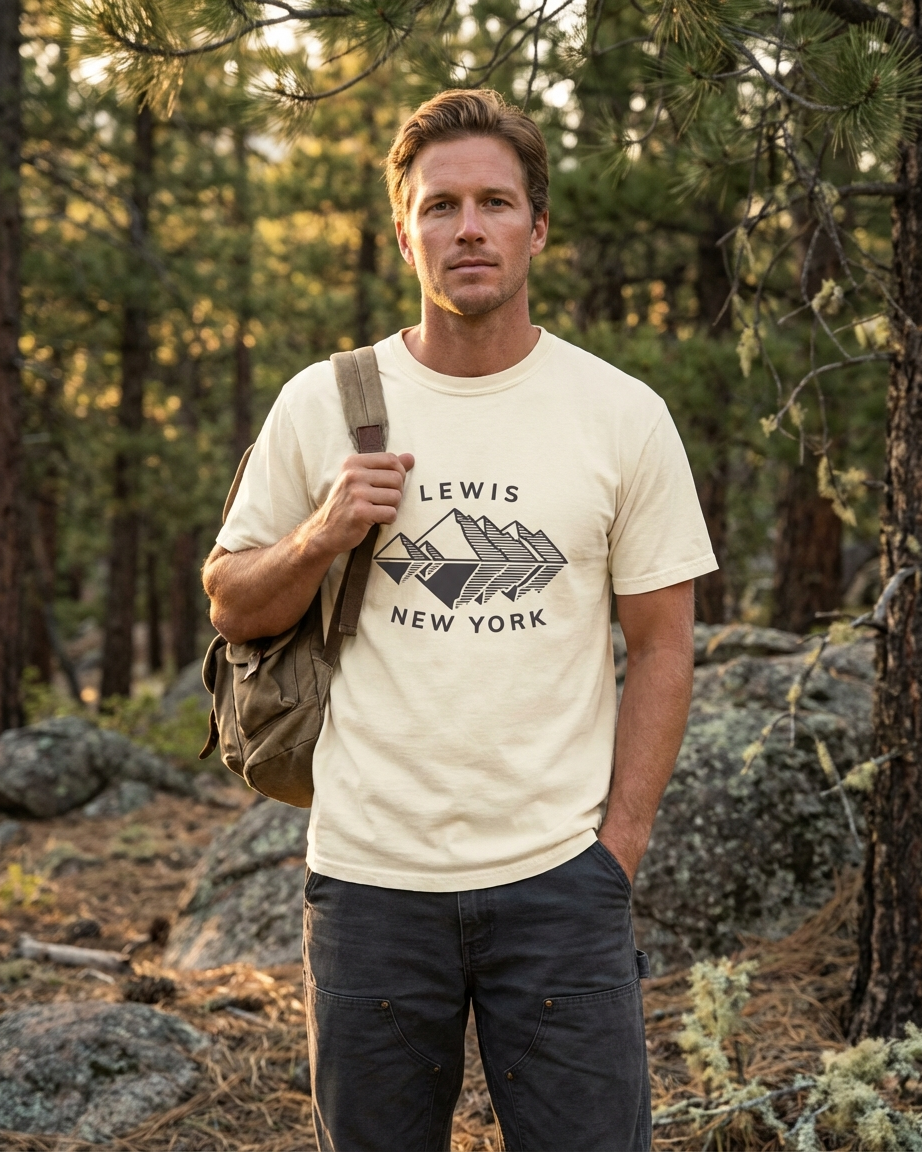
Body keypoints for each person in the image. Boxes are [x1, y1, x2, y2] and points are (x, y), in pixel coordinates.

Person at [202, 88, 717, 1152]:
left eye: (493, 202)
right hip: (370, 885)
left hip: (558, 886)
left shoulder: (618, 414)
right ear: (404, 230)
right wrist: (320, 535)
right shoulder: (321, 402)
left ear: (537, 226)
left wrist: (613, 851)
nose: (467, 228)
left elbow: (664, 645)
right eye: (441, 206)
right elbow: (230, 600)